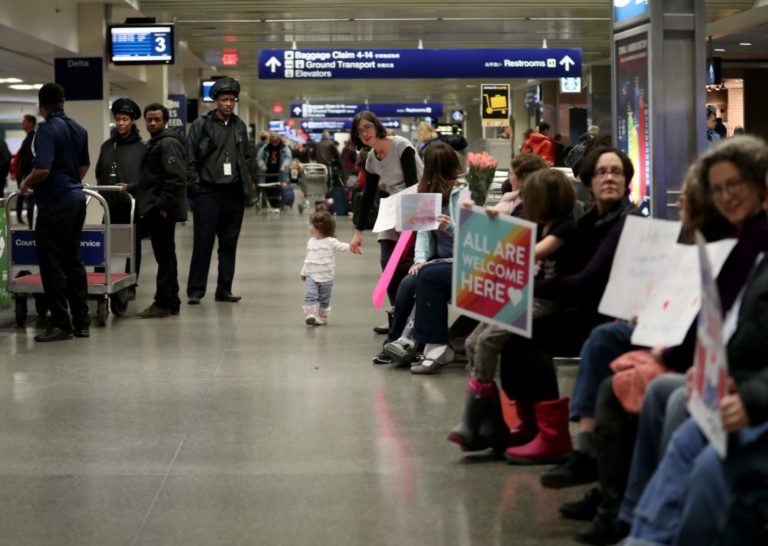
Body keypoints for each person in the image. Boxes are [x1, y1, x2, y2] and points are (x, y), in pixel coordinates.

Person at [499, 146, 639, 464]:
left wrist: (529, 284)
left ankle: (554, 435)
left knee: (529, 335)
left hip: (607, 318)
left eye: (616, 172)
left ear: (626, 180)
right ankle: (532, 423)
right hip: (583, 309)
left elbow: (586, 280)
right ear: (588, 181)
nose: (609, 178)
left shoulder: (626, 223)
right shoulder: (590, 219)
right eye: (602, 172)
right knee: (513, 330)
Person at [448, 168, 580, 451]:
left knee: (486, 341)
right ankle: (490, 420)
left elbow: (529, 252)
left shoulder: (563, 228)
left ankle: (474, 418)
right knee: (472, 341)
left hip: (545, 303)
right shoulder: (541, 224)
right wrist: (490, 220)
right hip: (524, 298)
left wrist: (495, 233)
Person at [374, 142, 465, 366]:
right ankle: (395, 341)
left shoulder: (463, 194)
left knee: (423, 280)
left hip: (462, 259)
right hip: (438, 259)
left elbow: (473, 237)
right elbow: (423, 234)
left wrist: (450, 227)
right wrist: (420, 260)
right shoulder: (425, 194)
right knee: (407, 283)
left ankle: (412, 340)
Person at [19, 83, 90, 342]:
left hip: (55, 203)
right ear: (63, 101)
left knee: (51, 265)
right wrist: (70, 183)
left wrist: (26, 183)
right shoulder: (78, 128)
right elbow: (83, 165)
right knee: (74, 261)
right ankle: (82, 322)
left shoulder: (47, 130)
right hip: (76, 200)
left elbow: (43, 170)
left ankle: (61, 323)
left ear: (42, 106)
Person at [349, 110, 424, 331]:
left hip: (417, 204)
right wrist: (358, 231)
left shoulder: (401, 146)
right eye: (359, 131)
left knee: (408, 264)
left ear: (376, 126)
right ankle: (397, 315)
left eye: (367, 127)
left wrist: (407, 226)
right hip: (393, 207)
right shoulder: (372, 158)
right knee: (387, 261)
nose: (364, 133)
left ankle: (414, 317)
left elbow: (412, 185)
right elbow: (368, 194)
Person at [186, 77, 254, 305]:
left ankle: (224, 289)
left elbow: (247, 156)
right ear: (215, 101)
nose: (228, 104)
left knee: (229, 244)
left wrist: (248, 185)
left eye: (232, 100)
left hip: (233, 193)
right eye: (224, 99)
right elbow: (190, 157)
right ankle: (196, 291)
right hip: (207, 192)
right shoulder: (201, 125)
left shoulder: (240, 126)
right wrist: (195, 185)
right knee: (203, 243)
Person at [134, 103, 187, 318]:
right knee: (166, 256)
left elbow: (174, 178)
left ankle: (163, 303)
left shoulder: (167, 144)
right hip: (157, 206)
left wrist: (164, 206)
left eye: (157, 119)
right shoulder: (155, 143)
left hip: (161, 210)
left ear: (165, 121)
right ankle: (172, 300)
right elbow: (153, 179)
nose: (153, 123)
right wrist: (130, 187)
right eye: (149, 119)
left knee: (164, 258)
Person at [94, 97, 145, 279]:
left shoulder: (141, 148)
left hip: (130, 205)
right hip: (110, 204)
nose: (120, 123)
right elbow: (99, 171)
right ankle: (100, 277)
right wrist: (102, 192)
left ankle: (131, 281)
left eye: (125, 119)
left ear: (132, 121)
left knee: (131, 245)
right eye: (118, 119)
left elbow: (146, 177)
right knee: (104, 243)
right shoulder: (107, 146)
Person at [300, 210, 353, 326]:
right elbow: (308, 259)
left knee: (324, 298)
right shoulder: (311, 242)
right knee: (310, 294)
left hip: (326, 276)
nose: (309, 226)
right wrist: (304, 272)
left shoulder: (330, 241)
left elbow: (342, 246)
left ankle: (322, 318)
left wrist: (352, 247)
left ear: (318, 227)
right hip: (312, 275)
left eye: (311, 224)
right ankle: (310, 315)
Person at [256, 132, 292, 206]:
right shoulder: (265, 148)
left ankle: (279, 204)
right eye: (273, 141)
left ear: (279, 139)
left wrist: (284, 166)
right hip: (267, 174)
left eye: (276, 141)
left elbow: (288, 158)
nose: (274, 143)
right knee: (268, 190)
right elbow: (259, 158)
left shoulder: (284, 148)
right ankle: (272, 204)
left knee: (280, 189)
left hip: (280, 174)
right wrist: (262, 165)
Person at [15, 114, 36, 226]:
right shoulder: (28, 138)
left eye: (25, 121)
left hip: (29, 177)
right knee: (29, 202)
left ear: (31, 123)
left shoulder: (31, 139)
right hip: (27, 175)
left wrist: (26, 178)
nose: (22, 123)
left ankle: (31, 228)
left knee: (31, 203)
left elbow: (28, 160)